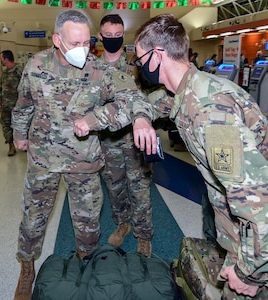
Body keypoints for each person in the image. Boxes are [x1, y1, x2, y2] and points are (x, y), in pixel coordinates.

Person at [129, 14, 268, 299]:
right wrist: (141, 117)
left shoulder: (208, 111)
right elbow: (153, 102)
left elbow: (260, 201)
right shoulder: (194, 87)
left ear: (157, 56)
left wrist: (250, 274)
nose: (139, 67)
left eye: (140, 60)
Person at [11, 10, 148, 300]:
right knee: (33, 218)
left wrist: (97, 119)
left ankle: (85, 265)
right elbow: (22, 105)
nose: (83, 50)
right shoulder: (36, 66)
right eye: (76, 43)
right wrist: (19, 134)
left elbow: (132, 98)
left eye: (88, 42)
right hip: (43, 160)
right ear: (57, 39)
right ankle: (27, 268)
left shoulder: (98, 69)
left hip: (83, 162)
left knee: (87, 221)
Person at [97, 14, 153, 257]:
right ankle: (123, 224)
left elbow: (151, 96)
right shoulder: (92, 67)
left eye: (117, 35)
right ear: (100, 37)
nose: (113, 39)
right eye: (108, 36)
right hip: (107, 142)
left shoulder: (136, 64)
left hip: (134, 140)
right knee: (115, 187)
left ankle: (144, 235)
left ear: (123, 35)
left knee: (140, 188)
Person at [0, 50, 23, 156]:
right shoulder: (4, 72)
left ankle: (25, 144)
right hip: (5, 106)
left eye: (1, 58)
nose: (1, 61)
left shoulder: (19, 70)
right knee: (6, 125)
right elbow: (1, 87)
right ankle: (11, 146)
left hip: (18, 106)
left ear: (6, 59)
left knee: (21, 126)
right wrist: (0, 99)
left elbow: (26, 87)